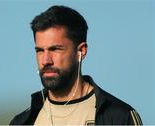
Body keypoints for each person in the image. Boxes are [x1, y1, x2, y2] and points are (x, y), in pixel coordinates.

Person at [10, 5, 143, 125]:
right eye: (40, 50)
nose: (45, 60)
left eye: (55, 49)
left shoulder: (119, 117)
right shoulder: (22, 122)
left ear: (81, 51)